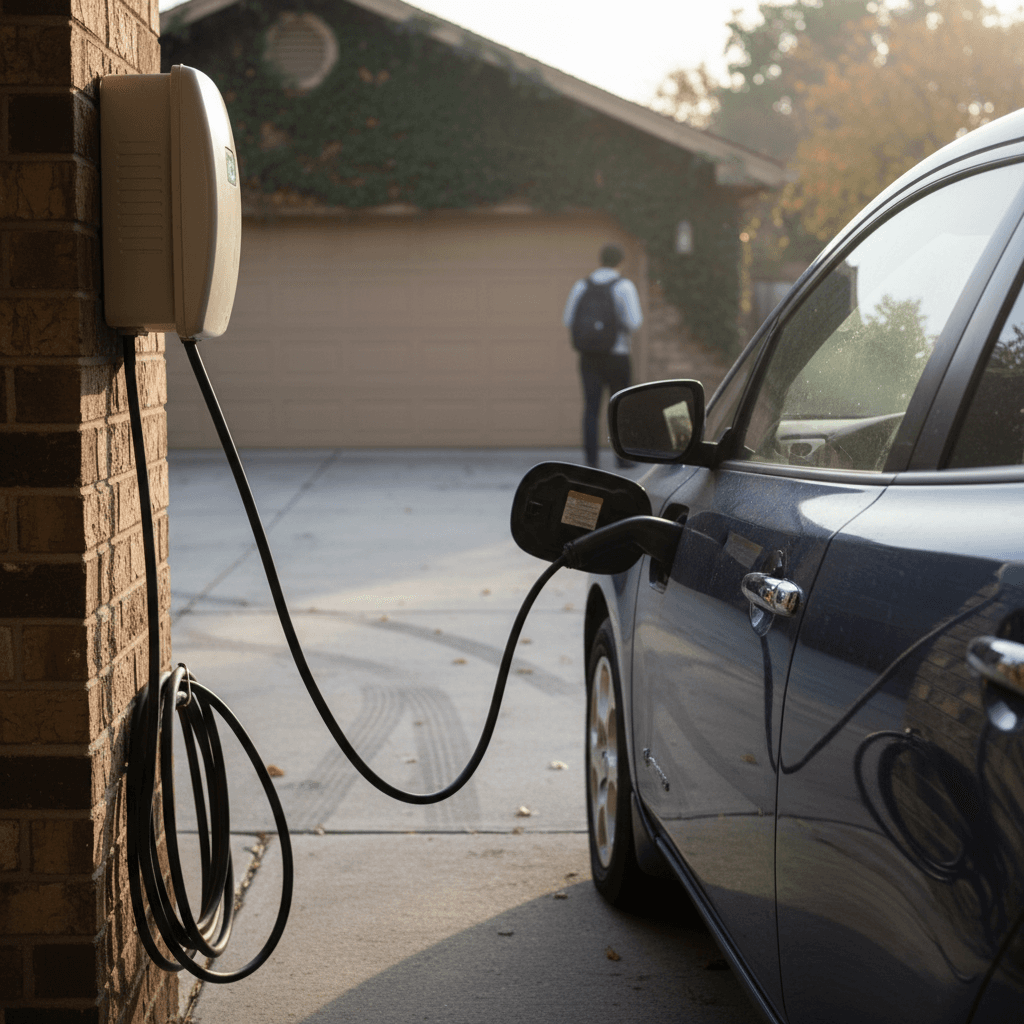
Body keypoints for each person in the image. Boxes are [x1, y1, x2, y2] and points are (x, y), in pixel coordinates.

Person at [563, 243, 643, 468]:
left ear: (600, 260)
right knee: (619, 408)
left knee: (591, 408)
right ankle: (622, 459)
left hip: (589, 357)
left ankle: (591, 460)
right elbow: (634, 322)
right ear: (621, 262)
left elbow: (568, 320)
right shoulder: (624, 286)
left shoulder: (581, 286)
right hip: (617, 355)